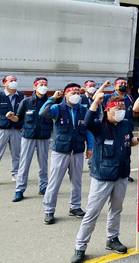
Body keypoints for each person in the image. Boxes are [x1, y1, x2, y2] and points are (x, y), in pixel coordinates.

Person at [71, 94, 139, 263]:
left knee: (116, 210)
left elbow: (128, 142)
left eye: (122, 109)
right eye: (117, 109)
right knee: (92, 213)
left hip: (121, 174)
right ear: (108, 110)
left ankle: (112, 239)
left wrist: (137, 139)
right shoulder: (99, 125)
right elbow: (87, 123)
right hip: (103, 176)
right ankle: (80, 246)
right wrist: (95, 102)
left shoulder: (125, 124)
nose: (121, 112)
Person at [40, 83, 93, 225]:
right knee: (54, 183)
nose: (76, 96)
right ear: (65, 94)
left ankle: (75, 207)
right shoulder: (57, 108)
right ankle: (49, 210)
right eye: (72, 93)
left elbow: (87, 129)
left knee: (77, 182)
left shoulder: (83, 110)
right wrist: (52, 98)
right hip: (60, 151)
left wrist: (90, 147)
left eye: (78, 93)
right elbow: (42, 113)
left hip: (77, 151)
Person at [10, 77, 52, 202]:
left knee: (43, 164)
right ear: (34, 87)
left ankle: (43, 187)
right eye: (40, 84)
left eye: (45, 84)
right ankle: (19, 190)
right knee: (24, 164)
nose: (43, 86)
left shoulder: (51, 102)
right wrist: (12, 118)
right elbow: (18, 117)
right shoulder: (26, 102)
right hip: (28, 136)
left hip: (43, 137)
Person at [0, 76, 25, 185]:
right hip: (1, 129)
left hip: (16, 129)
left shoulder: (22, 96)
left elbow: (25, 112)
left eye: (15, 81)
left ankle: (16, 174)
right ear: (4, 84)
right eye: (10, 81)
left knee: (17, 154)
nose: (13, 83)